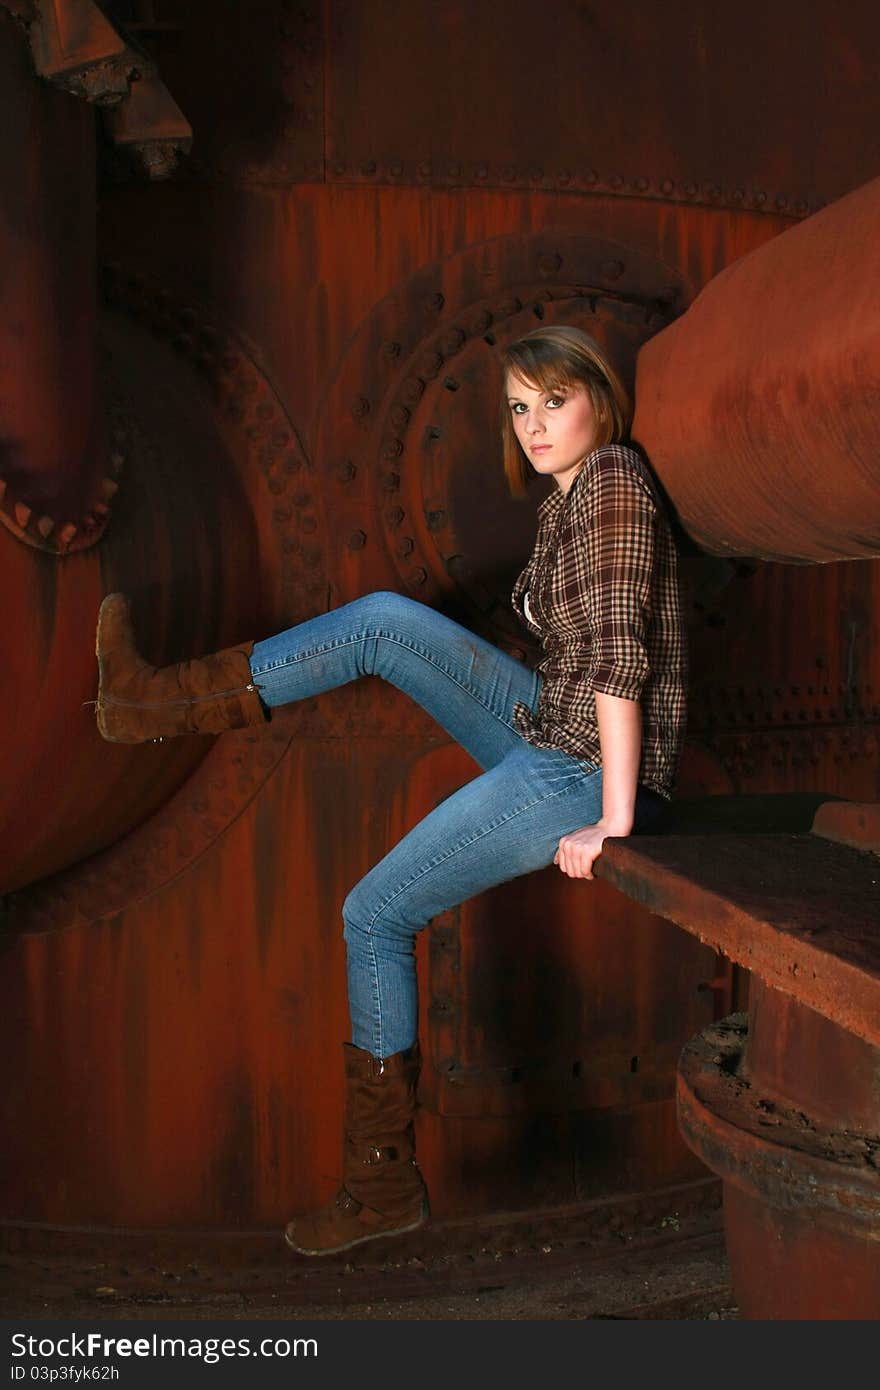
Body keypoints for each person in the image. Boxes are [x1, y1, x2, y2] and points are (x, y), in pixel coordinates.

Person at [93, 324, 687, 1257]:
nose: (534, 425)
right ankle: (152, 702)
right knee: (383, 624)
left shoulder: (612, 481)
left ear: (599, 401)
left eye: (553, 401)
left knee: (371, 915)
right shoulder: (568, 500)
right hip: (554, 729)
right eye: (518, 407)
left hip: (585, 770)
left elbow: (618, 657)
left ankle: (380, 1186)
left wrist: (610, 819)